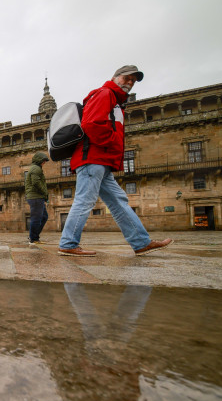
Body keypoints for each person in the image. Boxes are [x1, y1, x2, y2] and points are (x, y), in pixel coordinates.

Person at [58, 65, 172, 257]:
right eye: (127, 78)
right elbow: (91, 124)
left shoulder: (116, 101)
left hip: (102, 161)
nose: (129, 83)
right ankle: (68, 243)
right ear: (116, 77)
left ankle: (141, 242)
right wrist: (112, 142)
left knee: (118, 201)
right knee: (85, 200)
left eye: (133, 81)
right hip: (93, 158)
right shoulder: (105, 94)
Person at [25, 151, 50, 246]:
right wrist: (44, 192)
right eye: (43, 161)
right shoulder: (36, 169)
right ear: (39, 160)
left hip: (37, 197)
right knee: (36, 218)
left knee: (44, 217)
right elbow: (36, 182)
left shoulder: (37, 168)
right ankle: (33, 238)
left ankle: (33, 236)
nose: (44, 163)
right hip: (36, 197)